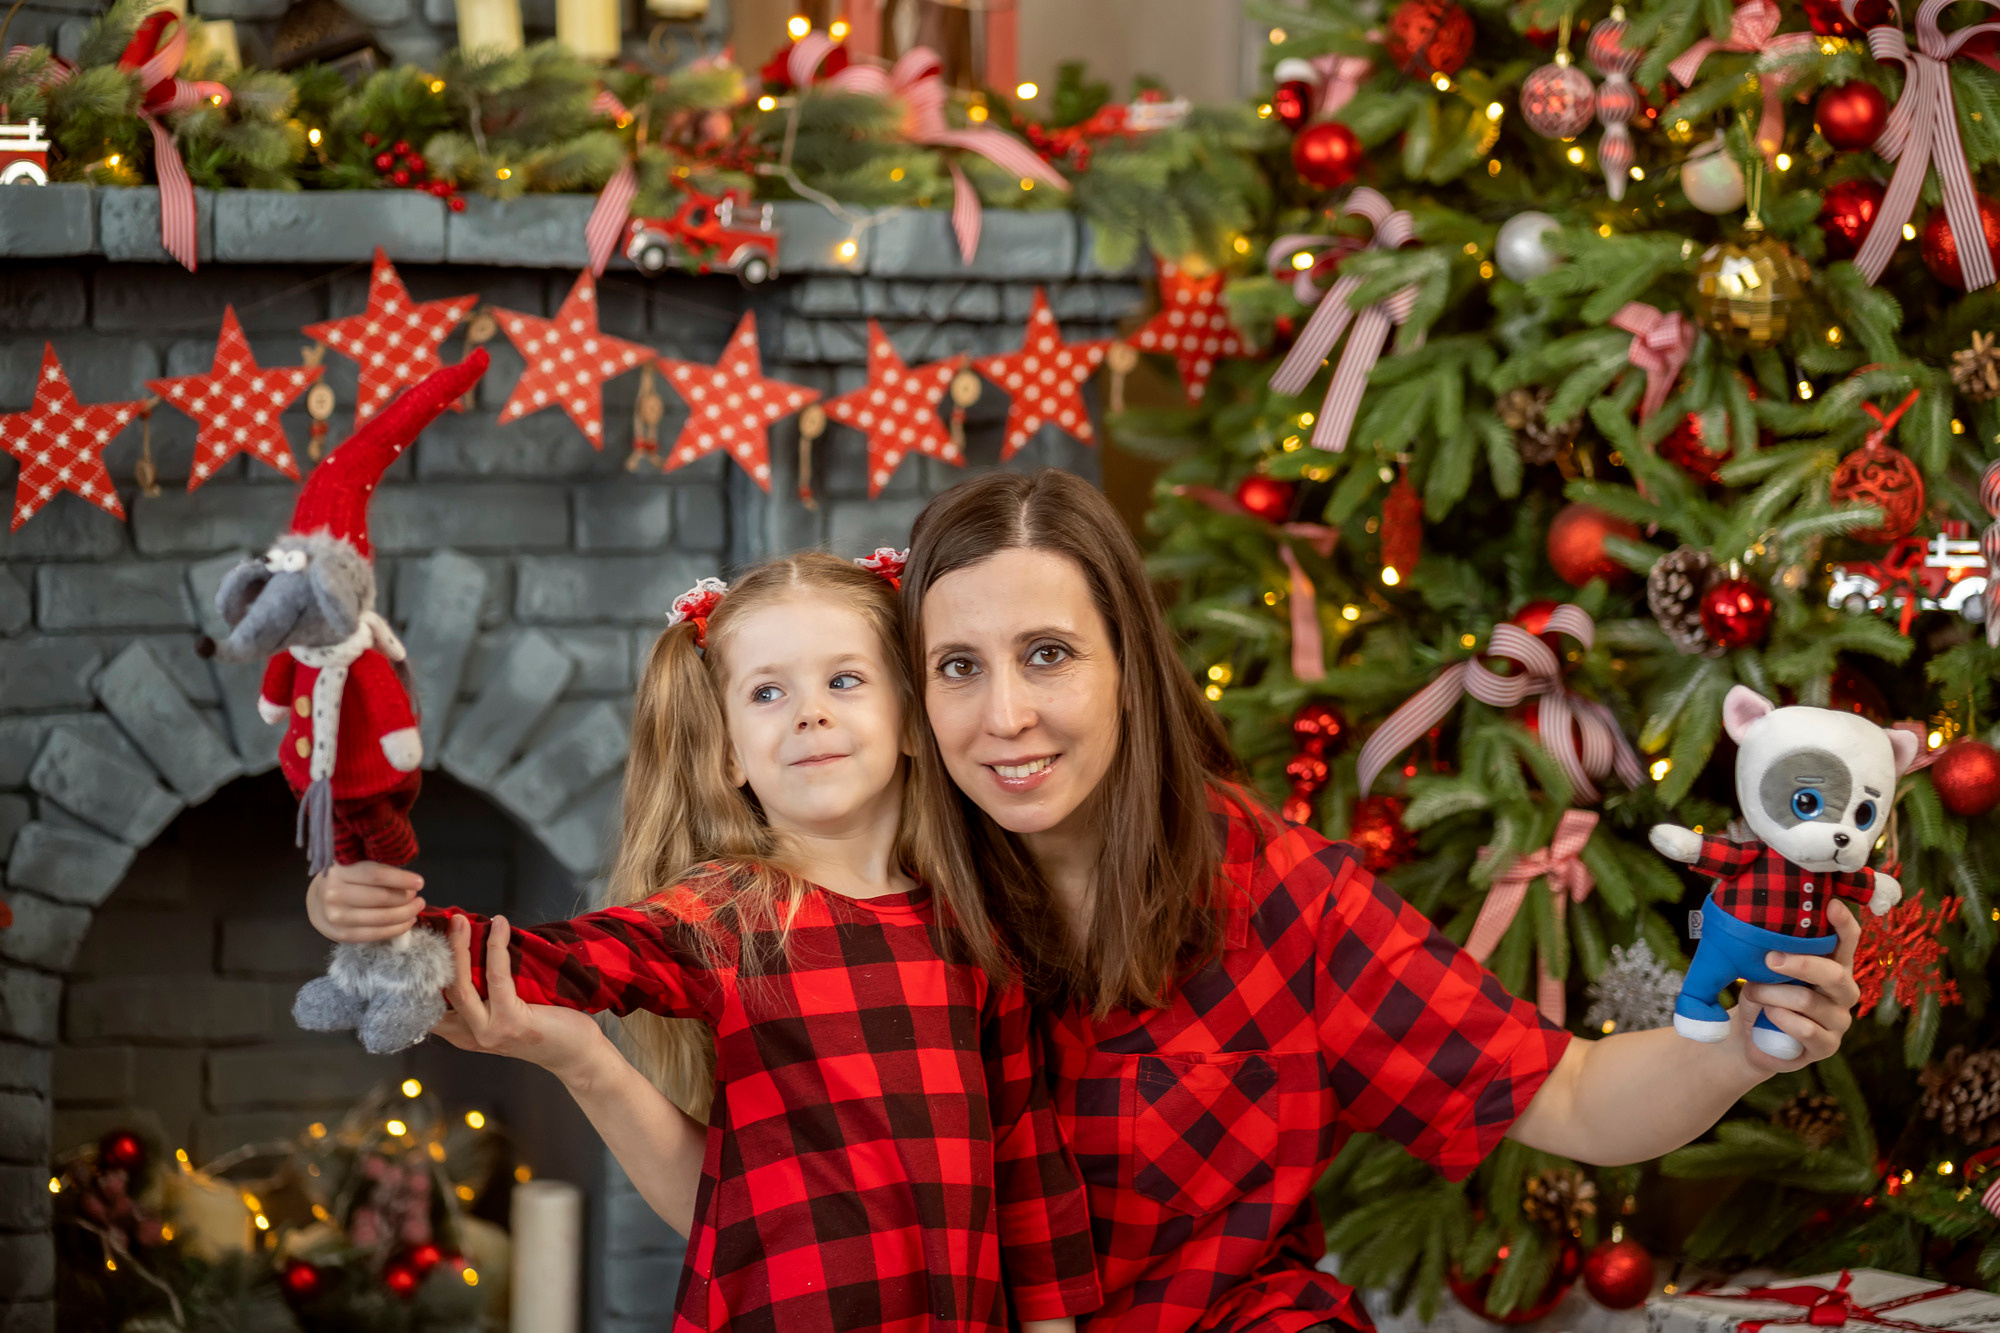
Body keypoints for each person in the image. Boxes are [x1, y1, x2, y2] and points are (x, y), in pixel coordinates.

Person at [319, 471, 1866, 1333]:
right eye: (959, 666)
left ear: (1128, 663)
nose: (1008, 717)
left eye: (1049, 656)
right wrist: (553, 1038)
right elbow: (769, 1205)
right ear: (913, 700)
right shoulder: (854, 905)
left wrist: (1743, 1044)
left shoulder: (1274, 890)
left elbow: (1575, 1097)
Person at [307, 551, 1101, 1333]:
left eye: (845, 680)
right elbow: (561, 959)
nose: (810, 712)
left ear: (913, 722)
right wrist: (373, 919)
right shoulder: (727, 914)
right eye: (767, 692)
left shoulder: (975, 928)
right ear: (728, 754)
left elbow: (1027, 1170)